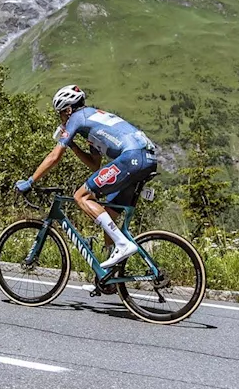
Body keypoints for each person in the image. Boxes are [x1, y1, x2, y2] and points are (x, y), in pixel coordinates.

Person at [16, 85, 158, 270]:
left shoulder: (76, 117)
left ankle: (123, 246)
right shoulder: (92, 120)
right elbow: (94, 164)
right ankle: (109, 276)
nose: (61, 119)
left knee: (80, 196)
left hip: (132, 157)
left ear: (68, 110)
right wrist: (73, 145)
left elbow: (54, 157)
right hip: (146, 158)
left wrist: (30, 181)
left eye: (60, 114)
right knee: (109, 216)